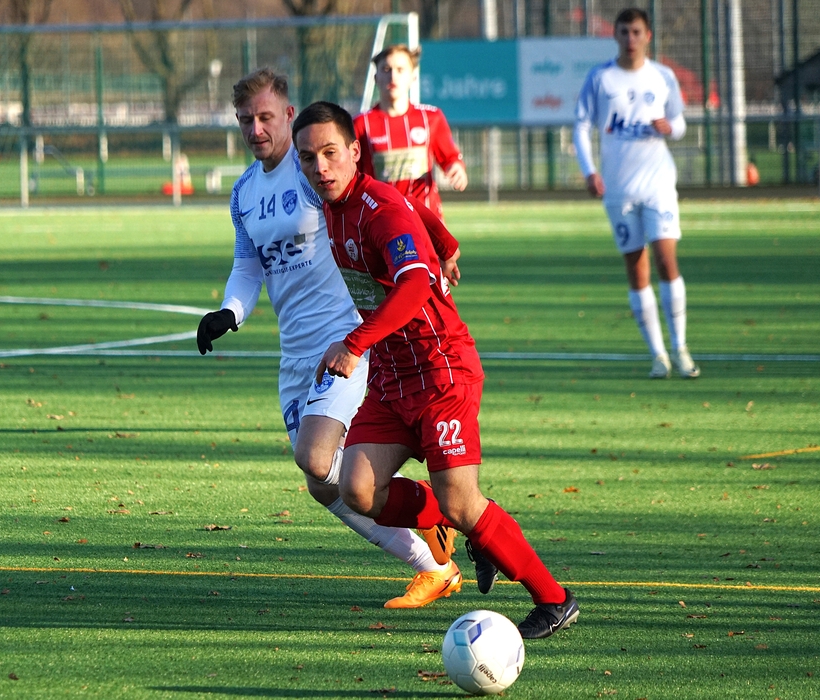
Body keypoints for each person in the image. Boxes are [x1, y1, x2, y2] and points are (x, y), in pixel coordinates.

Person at [292, 100, 579, 640]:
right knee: (357, 489)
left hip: (440, 367)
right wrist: (445, 245)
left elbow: (415, 286)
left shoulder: (377, 209)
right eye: (308, 158)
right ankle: (461, 522)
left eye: (330, 153)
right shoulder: (336, 200)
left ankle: (554, 598)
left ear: (355, 151)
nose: (320, 167)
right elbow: (413, 206)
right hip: (392, 375)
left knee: (461, 500)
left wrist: (354, 343)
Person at [196, 68, 463, 609]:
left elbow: (391, 202)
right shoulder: (244, 192)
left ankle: (432, 512)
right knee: (322, 483)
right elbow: (248, 263)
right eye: (245, 120)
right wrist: (229, 311)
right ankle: (435, 564)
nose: (255, 129)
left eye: (265, 117)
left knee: (317, 459)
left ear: (288, 115)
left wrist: (442, 242)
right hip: (295, 356)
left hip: (344, 342)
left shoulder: (312, 174)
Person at [573, 7, 700, 379]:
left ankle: (681, 348)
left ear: (648, 36)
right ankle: (658, 355)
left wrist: (669, 128)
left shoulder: (662, 76)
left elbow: (679, 122)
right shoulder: (601, 78)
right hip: (619, 190)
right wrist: (590, 171)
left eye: (637, 32)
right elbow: (581, 126)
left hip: (658, 184)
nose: (631, 39)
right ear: (615, 35)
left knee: (666, 261)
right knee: (636, 267)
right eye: (625, 32)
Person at [355, 44, 467, 222]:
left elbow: (450, 157)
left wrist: (456, 167)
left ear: (413, 77)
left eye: (400, 70)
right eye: (386, 69)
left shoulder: (431, 118)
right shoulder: (362, 124)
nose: (393, 76)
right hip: (383, 222)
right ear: (376, 78)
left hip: (427, 220)